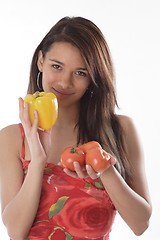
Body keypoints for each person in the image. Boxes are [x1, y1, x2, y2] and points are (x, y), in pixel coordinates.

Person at [0, 16, 152, 240]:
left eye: (80, 73)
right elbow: (15, 232)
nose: (64, 82)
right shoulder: (13, 137)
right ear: (41, 60)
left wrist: (106, 170)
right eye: (56, 66)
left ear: (93, 77)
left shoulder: (121, 129)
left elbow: (141, 224)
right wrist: (38, 161)